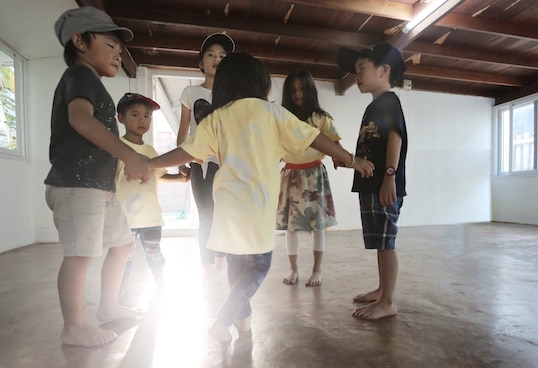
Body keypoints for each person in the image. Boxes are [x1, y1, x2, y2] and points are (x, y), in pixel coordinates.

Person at [148, 52, 374, 343]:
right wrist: (351, 159)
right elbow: (313, 137)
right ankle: (224, 320)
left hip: (226, 207)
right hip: (255, 210)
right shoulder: (272, 113)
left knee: (237, 267)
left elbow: (188, 151)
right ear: (260, 83)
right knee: (258, 266)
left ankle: (243, 322)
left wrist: (150, 164)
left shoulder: (217, 118)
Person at [44, 6, 150, 347]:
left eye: (120, 50)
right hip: (76, 186)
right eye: (110, 45)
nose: (118, 54)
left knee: (121, 245)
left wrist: (124, 164)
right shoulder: (81, 76)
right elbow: (80, 120)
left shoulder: (93, 83)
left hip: (97, 186)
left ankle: (108, 306)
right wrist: (129, 154)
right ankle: (73, 327)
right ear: (79, 41)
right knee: (80, 254)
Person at [337, 42, 408, 320]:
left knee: (387, 242)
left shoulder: (389, 101)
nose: (357, 75)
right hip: (371, 185)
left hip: (383, 187)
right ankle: (382, 290)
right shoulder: (375, 106)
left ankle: (389, 301)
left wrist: (389, 178)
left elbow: (395, 138)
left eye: (362, 69)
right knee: (380, 241)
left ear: (384, 70)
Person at [114, 93, 188, 299]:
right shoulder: (117, 149)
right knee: (123, 258)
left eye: (147, 116)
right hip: (124, 219)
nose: (142, 120)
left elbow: (159, 175)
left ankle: (160, 284)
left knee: (155, 254)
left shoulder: (150, 150)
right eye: (135, 115)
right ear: (121, 118)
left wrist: (180, 178)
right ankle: (121, 292)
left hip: (151, 218)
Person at [276, 69, 341, 287]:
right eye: (293, 90)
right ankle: (293, 269)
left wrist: (338, 157)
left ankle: (317, 270)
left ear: (310, 90)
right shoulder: (282, 117)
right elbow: (274, 146)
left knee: (318, 226)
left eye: (302, 89)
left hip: (314, 175)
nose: (297, 94)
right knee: (291, 227)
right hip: (290, 174)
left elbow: (333, 142)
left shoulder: (321, 118)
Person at [176, 33, 235, 271]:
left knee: (225, 214)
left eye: (222, 56)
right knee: (206, 215)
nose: (216, 59)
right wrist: (180, 159)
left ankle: (222, 263)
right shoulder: (190, 93)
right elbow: (183, 129)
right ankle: (207, 267)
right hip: (199, 162)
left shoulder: (233, 94)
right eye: (211, 54)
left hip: (227, 163)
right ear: (200, 62)